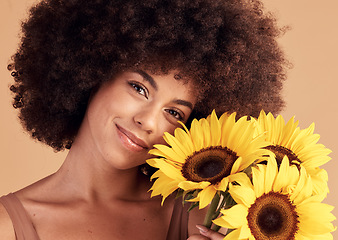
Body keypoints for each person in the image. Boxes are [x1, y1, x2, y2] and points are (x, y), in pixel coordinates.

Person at [0, 0, 288, 239]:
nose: (149, 122)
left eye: (174, 113)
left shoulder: (203, 217)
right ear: (93, 73)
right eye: (139, 88)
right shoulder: (8, 226)